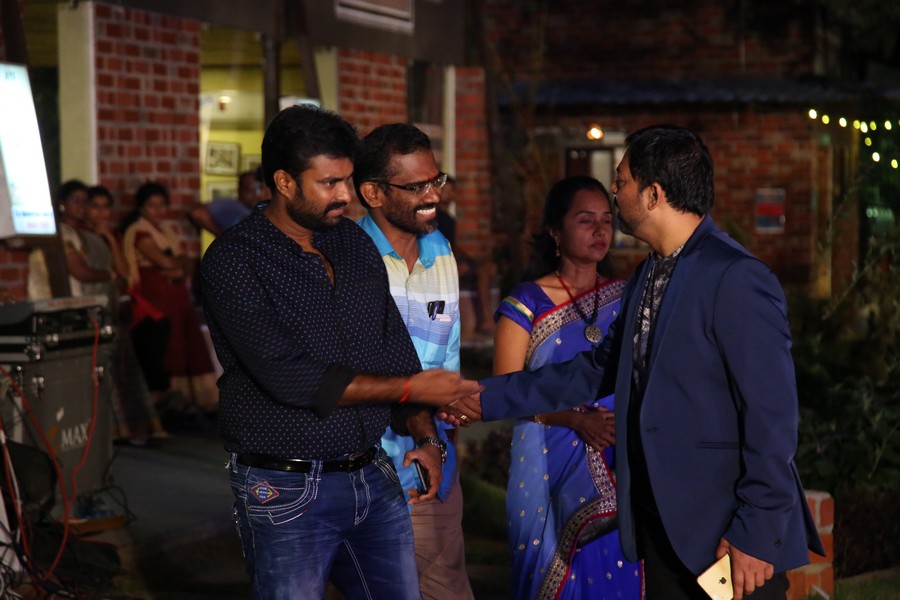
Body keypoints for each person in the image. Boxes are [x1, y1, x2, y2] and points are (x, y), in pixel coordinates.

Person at [445, 125, 824, 600]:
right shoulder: (647, 273)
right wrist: (482, 398)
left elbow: (772, 416)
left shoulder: (735, 276)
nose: (614, 190)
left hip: (727, 534)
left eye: (621, 181)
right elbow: (594, 369)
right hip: (659, 527)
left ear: (653, 194)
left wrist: (756, 531)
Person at [199, 105, 480, 600]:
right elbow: (292, 377)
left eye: (348, 180)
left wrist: (426, 437)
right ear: (284, 182)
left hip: (372, 473)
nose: (347, 196)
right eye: (329, 183)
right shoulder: (234, 260)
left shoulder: (351, 242)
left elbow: (395, 352)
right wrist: (413, 388)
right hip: (286, 486)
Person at [493, 176, 641, 599]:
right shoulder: (527, 303)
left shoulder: (626, 297)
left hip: (618, 455)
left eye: (606, 220)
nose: (600, 230)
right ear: (556, 232)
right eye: (585, 220)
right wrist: (575, 420)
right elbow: (505, 393)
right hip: (548, 459)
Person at [354, 123, 474, 600]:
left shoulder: (440, 248)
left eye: (435, 180)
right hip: (364, 473)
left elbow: (448, 355)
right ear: (373, 193)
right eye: (416, 186)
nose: (433, 196)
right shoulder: (347, 257)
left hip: (430, 471)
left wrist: (444, 436)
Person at [122, 182, 218, 418]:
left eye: (161, 205)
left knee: (186, 342)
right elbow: (165, 261)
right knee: (167, 346)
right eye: (151, 205)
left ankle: (192, 403)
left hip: (176, 296)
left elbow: (185, 260)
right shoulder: (140, 231)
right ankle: (170, 404)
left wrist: (177, 267)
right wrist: (175, 266)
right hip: (157, 298)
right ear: (141, 208)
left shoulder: (167, 230)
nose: (158, 210)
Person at [85, 185, 168, 444]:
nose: (101, 213)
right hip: (90, 304)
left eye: (105, 207)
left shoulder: (113, 235)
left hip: (111, 305)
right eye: (95, 207)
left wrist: (110, 241)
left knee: (122, 370)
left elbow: (122, 273)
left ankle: (129, 429)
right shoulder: (79, 236)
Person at [188, 170, 260, 237]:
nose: (255, 195)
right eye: (249, 191)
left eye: (257, 191)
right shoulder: (229, 206)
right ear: (239, 190)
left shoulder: (259, 210)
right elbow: (197, 213)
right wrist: (223, 236)